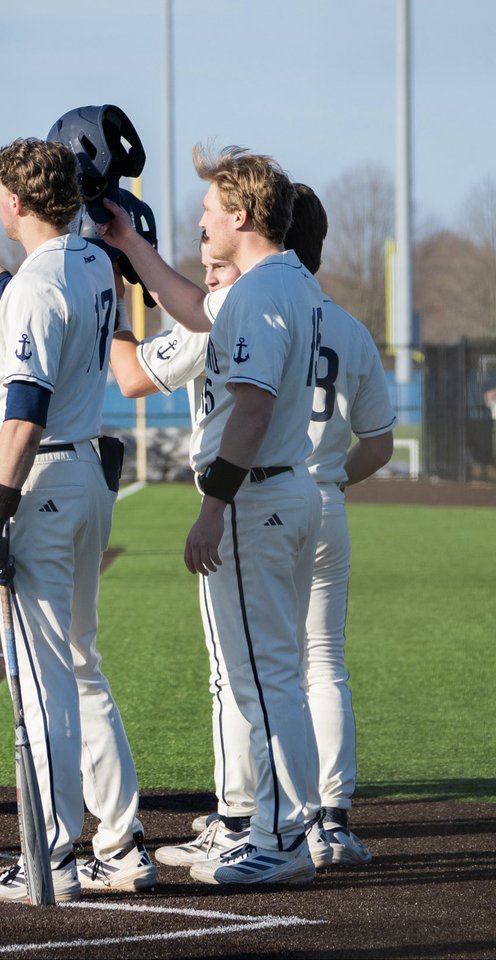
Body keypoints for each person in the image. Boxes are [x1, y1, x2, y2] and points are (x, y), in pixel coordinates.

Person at [104, 184, 394, 869]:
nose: (202, 237)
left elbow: (149, 380)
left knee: (256, 677)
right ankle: (324, 820)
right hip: (314, 492)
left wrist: (119, 300)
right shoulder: (324, 308)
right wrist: (131, 246)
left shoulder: (254, 300)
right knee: (314, 669)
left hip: (255, 492)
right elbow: (378, 441)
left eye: (208, 224)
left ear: (245, 220)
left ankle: (268, 827)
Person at [0, 138, 156, 903]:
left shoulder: (40, 283)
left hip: (43, 478)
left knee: (44, 684)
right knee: (80, 665)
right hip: (86, 474)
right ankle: (121, 845)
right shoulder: (90, 262)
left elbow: (21, 412)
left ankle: (50, 857)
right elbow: (1, 290)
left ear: (14, 203)